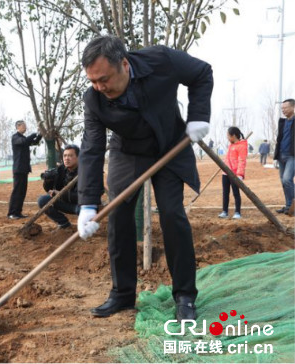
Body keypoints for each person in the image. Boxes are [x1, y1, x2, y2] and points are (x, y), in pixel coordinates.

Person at [77, 35, 213, 321]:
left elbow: (202, 73)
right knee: (118, 215)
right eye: (93, 81)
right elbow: (91, 149)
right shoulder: (94, 100)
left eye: (104, 79)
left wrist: (199, 116)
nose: (99, 88)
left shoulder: (161, 60)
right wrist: (88, 204)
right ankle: (123, 294)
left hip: (170, 144)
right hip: (128, 151)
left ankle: (185, 295)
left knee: (173, 214)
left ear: (124, 64)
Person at [37, 144, 80, 229]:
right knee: (43, 200)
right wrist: (48, 181)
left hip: (80, 205)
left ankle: (88, 227)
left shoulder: (84, 171)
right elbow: (49, 190)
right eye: (65, 156)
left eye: (70, 155)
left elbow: (81, 196)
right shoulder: (61, 169)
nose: (67, 158)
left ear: (78, 157)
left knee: (84, 210)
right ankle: (64, 223)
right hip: (65, 203)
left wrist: (60, 194)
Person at [7, 120, 42, 219]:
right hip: (18, 169)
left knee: (22, 192)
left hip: (24, 169)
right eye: (24, 125)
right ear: (18, 126)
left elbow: (34, 142)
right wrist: (35, 133)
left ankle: (18, 212)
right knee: (17, 191)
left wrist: (40, 134)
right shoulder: (15, 137)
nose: (25, 127)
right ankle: (12, 213)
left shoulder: (23, 138)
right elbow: (25, 142)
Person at [218, 127, 247, 220]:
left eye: (228, 135)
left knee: (236, 193)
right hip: (225, 172)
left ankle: (237, 212)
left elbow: (242, 160)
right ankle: (225, 211)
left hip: (234, 174)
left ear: (233, 136)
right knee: (225, 193)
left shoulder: (242, 146)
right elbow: (228, 158)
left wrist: (240, 174)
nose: (227, 137)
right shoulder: (231, 145)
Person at [274, 99, 295, 214]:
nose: (283, 110)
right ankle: (288, 206)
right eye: (282, 108)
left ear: (293, 107)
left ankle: (293, 205)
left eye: (285, 108)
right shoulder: (282, 122)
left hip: (292, 155)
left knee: (287, 179)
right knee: (284, 181)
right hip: (281, 154)